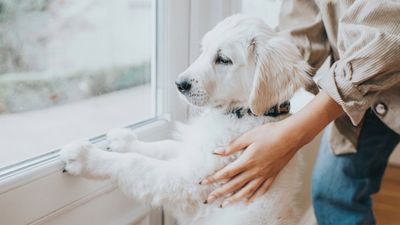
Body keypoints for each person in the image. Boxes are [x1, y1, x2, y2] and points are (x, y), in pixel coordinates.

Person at [199, 0, 400, 224]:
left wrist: (291, 135)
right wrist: (273, 67)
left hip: (366, 81)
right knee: (334, 193)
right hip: (365, 96)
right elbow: (300, 28)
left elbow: (388, 35)